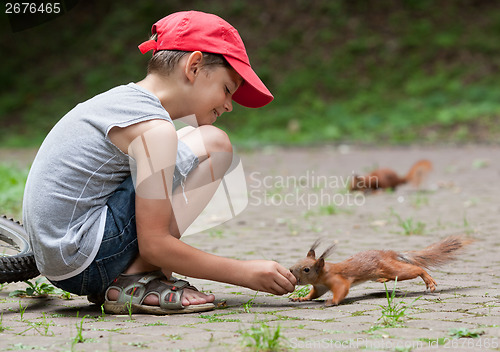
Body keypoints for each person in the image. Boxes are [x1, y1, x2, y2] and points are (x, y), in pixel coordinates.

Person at [22, 10, 296, 315]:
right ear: (193, 66)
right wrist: (244, 273)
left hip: (60, 254)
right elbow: (155, 244)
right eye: (227, 89)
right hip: (83, 259)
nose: (229, 105)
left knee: (214, 142)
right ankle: (135, 279)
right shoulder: (154, 129)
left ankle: (135, 275)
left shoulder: (125, 103)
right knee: (212, 148)